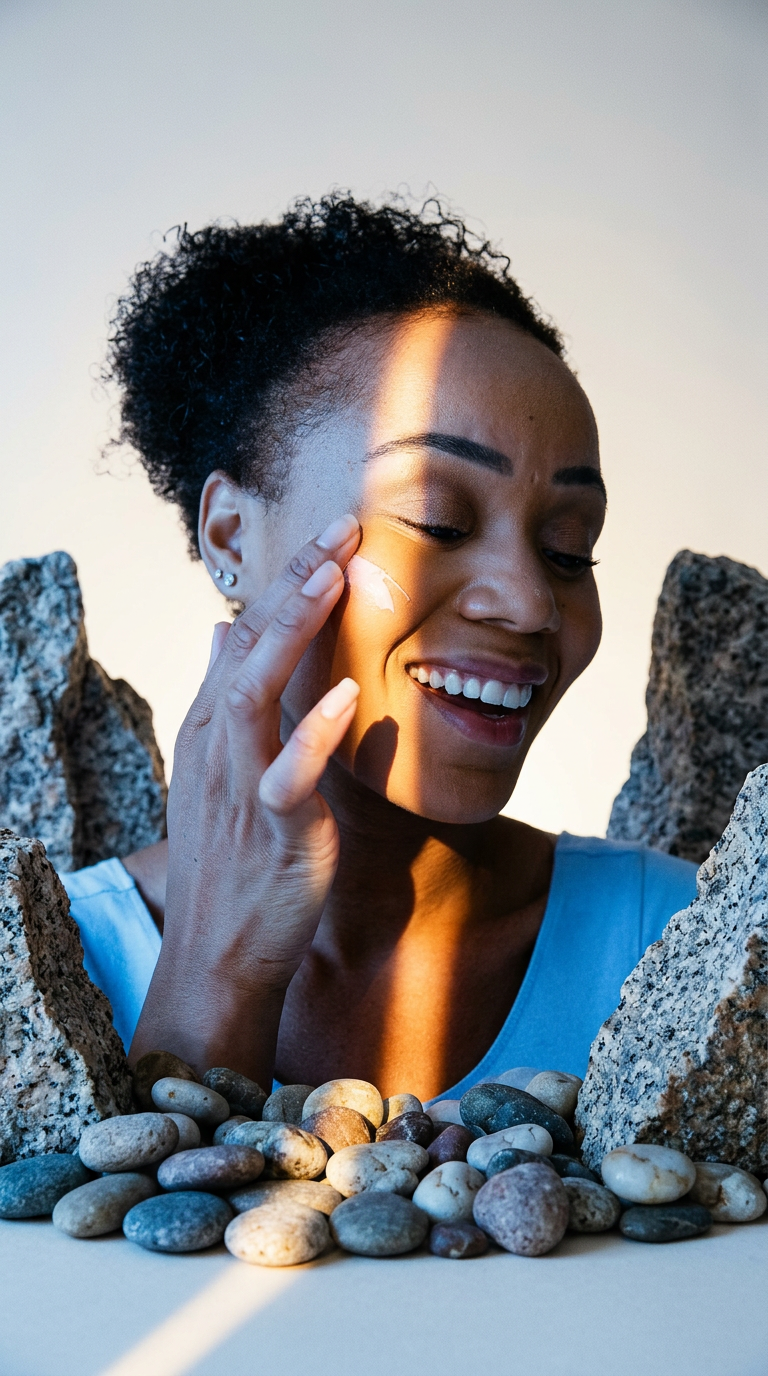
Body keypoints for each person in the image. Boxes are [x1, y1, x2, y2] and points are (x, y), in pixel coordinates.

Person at [62, 194, 697, 1102]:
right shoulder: (47, 972)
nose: (529, 604)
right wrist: (216, 969)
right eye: (437, 520)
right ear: (233, 538)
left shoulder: (687, 942)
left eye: (569, 547)